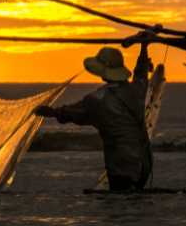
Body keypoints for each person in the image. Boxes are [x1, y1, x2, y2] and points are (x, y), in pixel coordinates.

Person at [35, 44, 153, 192]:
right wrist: (144, 45)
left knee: (121, 203)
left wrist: (53, 112)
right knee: (135, 200)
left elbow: (73, 113)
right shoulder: (137, 90)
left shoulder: (97, 100)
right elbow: (141, 72)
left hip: (121, 166)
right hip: (144, 163)